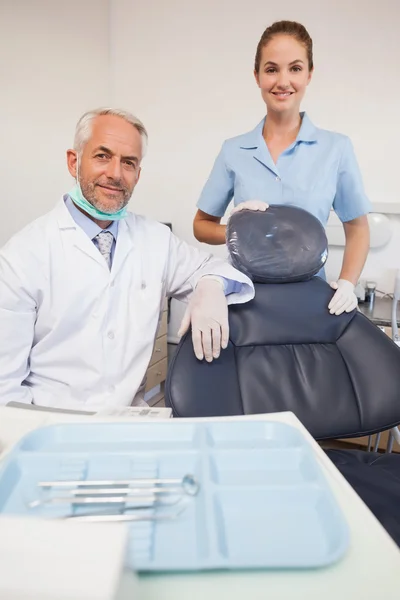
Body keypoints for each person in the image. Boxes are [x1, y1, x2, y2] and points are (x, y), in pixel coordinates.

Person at [0, 108, 254, 411]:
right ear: (74, 161)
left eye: (129, 162)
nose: (116, 174)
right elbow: (5, 391)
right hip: (51, 427)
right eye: (102, 156)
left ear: (138, 173)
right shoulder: (22, 256)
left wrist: (210, 285)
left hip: (129, 421)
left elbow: (211, 269)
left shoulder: (155, 239)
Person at [193, 20, 371, 317]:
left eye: (295, 68)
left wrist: (347, 283)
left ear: (310, 74)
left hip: (311, 303)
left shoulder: (336, 149)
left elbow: (358, 227)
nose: (283, 81)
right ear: (257, 76)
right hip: (244, 301)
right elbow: (201, 225)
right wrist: (237, 231)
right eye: (272, 69)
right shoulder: (233, 150)